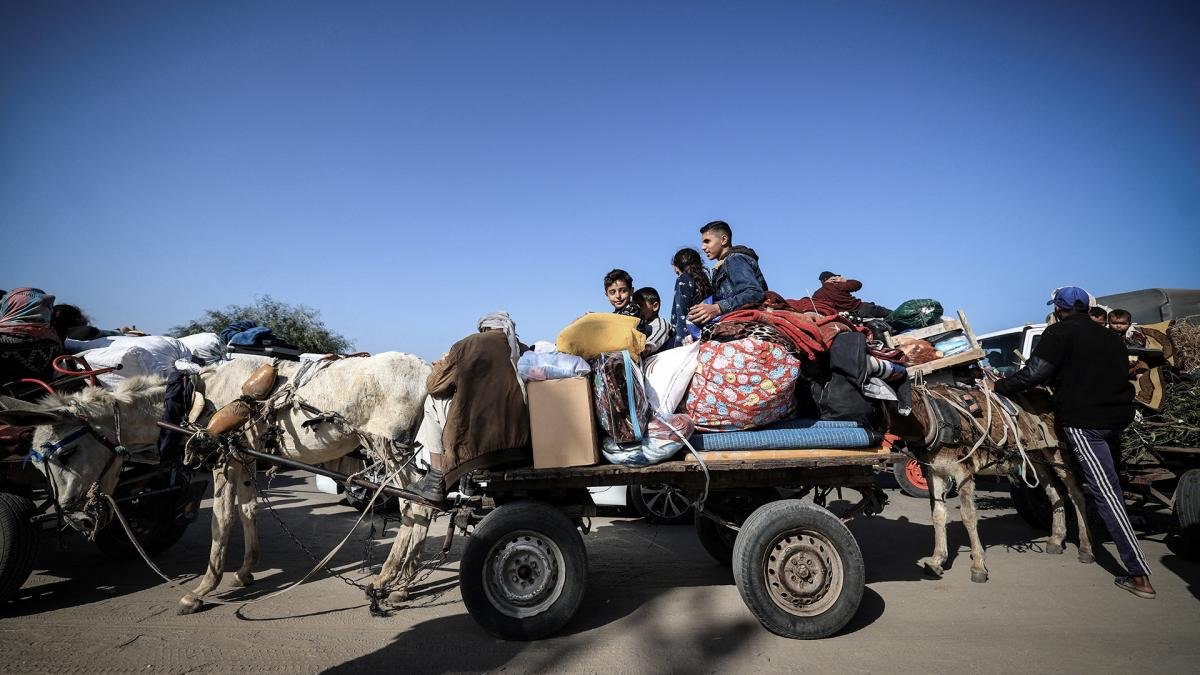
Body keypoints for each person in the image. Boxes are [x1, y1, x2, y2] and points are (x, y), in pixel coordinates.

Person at [994, 286, 1155, 600]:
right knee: (1106, 481)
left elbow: (1033, 374)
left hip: (1086, 424)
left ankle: (1139, 575)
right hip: (1117, 420)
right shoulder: (1110, 336)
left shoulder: (1058, 334)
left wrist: (1001, 385)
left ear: (1059, 309)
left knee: (1106, 492)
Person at [408, 312, 531, 502]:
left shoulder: (467, 345)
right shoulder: (521, 349)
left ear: (483, 329)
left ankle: (436, 476)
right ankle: (464, 478)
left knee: (432, 401)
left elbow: (434, 386)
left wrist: (443, 363)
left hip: (481, 444)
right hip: (522, 444)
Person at [687, 220, 767, 326]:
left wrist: (717, 308)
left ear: (724, 240)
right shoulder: (721, 266)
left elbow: (754, 293)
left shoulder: (735, 259)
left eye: (707, 241)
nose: (703, 247)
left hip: (750, 322)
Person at [668, 247, 713, 348]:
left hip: (687, 339)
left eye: (677, 273)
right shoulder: (705, 282)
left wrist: (679, 344)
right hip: (703, 335)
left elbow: (681, 313)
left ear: (677, 266)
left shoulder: (683, 279)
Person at [812, 272, 892, 319]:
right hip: (862, 309)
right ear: (829, 279)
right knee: (891, 314)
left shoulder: (817, 294)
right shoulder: (838, 285)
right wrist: (844, 280)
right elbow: (858, 284)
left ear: (822, 281)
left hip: (848, 318)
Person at [633, 287, 670, 356]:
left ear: (655, 306)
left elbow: (660, 333)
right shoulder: (639, 325)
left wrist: (648, 346)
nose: (637, 309)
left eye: (640, 305)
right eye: (635, 306)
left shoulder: (660, 322)